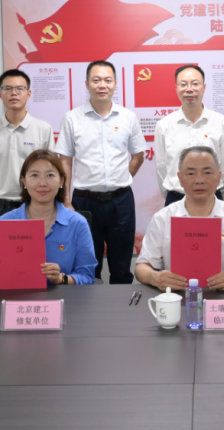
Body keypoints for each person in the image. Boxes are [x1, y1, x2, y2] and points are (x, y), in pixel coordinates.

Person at [55, 60, 147, 284]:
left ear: (115, 84)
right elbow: (65, 161)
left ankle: (122, 306)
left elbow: (138, 156)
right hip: (84, 202)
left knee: (122, 267)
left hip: (121, 202)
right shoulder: (72, 118)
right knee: (87, 267)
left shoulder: (127, 117)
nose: (102, 85)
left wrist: (120, 179)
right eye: (96, 80)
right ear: (87, 84)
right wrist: (66, 200)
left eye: (107, 80)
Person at [136, 146, 224, 291]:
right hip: (177, 296)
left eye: (207, 173)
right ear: (180, 178)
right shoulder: (163, 218)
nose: (199, 180)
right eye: (191, 173)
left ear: (219, 177)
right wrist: (155, 278)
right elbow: (142, 266)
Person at [0, 150, 97, 286]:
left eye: (50, 175)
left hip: (63, 297)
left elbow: (87, 275)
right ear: (24, 181)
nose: (42, 183)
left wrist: (61, 279)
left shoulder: (77, 223)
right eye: (35, 175)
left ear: (61, 180)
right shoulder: (5, 222)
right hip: (17, 296)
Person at [0, 68, 55, 234]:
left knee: (38, 250)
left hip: (35, 204)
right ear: (0, 94)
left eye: (20, 88)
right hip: (1, 206)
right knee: (5, 251)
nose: (14, 93)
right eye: (8, 88)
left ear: (29, 94)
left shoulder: (43, 129)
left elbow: (51, 172)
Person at [155, 64, 224, 206]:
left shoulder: (220, 122)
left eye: (195, 84)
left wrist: (217, 192)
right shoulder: (164, 125)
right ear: (176, 88)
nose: (189, 89)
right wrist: (172, 194)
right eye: (183, 84)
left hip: (212, 198)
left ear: (204, 87)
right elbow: (161, 167)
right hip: (176, 199)